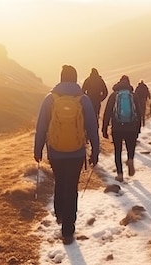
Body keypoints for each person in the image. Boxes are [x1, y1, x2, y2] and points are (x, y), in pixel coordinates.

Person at [34, 65, 100, 245]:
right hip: (77, 152)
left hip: (55, 151)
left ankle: (60, 214)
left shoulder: (50, 99)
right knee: (71, 187)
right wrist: (95, 150)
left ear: (61, 78)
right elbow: (92, 128)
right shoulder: (83, 100)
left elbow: (41, 126)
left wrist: (38, 149)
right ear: (75, 79)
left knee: (60, 182)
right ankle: (68, 231)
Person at [102, 75, 142, 182]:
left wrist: (104, 128)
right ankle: (130, 159)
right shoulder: (133, 96)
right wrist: (138, 129)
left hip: (117, 128)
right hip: (131, 127)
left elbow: (107, 113)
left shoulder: (114, 96)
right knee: (130, 147)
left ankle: (120, 174)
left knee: (117, 151)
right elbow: (139, 113)